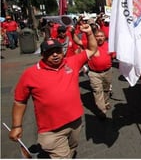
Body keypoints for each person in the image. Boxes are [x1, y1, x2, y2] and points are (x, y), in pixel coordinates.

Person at [8, 24, 97, 158]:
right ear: (42, 55)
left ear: (62, 51)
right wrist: (16, 126)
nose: (55, 55)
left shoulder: (72, 63)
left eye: (57, 51)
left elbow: (92, 49)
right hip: (51, 131)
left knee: (72, 148)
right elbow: (20, 102)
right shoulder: (30, 74)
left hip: (75, 123)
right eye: (50, 52)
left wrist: (89, 33)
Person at [87, 29, 116, 120]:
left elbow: (114, 56)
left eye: (101, 36)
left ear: (105, 37)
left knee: (106, 89)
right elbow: (78, 41)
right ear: (94, 37)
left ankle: (105, 102)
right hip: (94, 73)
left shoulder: (109, 46)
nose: (99, 38)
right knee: (98, 92)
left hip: (107, 72)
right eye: (97, 36)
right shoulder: (90, 45)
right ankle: (102, 110)